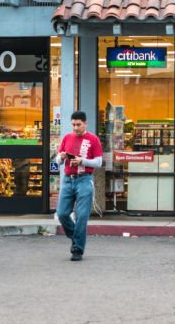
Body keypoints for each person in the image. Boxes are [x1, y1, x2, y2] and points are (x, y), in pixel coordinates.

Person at [54, 111, 102, 262]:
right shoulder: (67, 138)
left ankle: (77, 249)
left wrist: (82, 161)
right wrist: (60, 157)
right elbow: (57, 162)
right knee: (61, 213)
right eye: (73, 124)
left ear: (85, 124)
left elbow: (99, 162)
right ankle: (76, 237)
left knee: (82, 216)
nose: (75, 128)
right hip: (68, 180)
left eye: (78, 125)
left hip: (84, 180)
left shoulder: (93, 139)